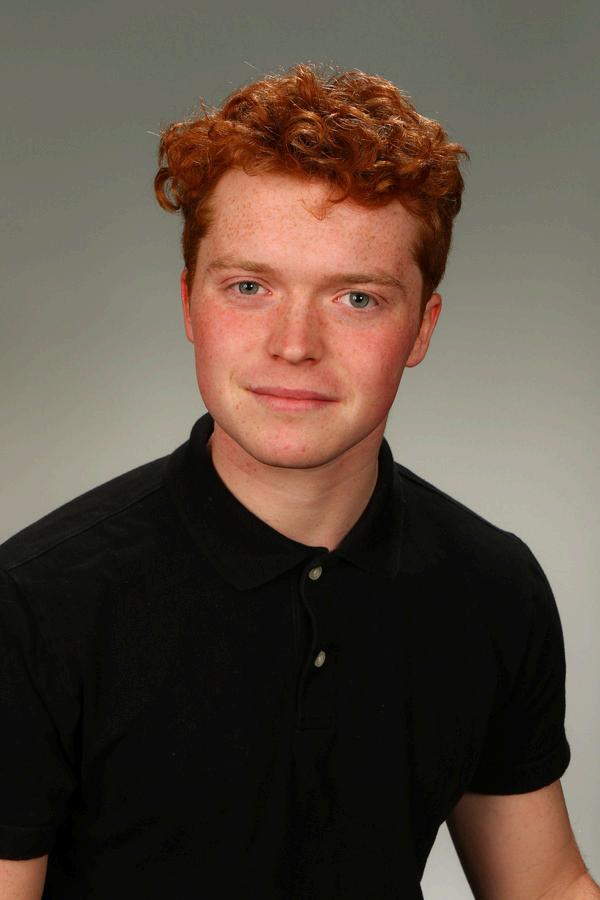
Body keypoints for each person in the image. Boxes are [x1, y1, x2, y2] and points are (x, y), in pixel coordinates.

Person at [0, 63, 597, 900]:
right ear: (190, 305)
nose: (293, 344)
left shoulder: (494, 587)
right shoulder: (33, 606)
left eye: (357, 299)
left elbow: (545, 888)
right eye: (249, 287)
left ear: (421, 327)